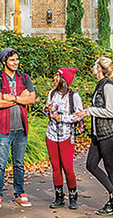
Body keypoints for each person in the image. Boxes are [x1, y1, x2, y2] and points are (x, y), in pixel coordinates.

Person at [73, 57, 113, 216]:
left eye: (95, 65)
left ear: (100, 69)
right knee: (91, 164)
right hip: (98, 133)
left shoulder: (108, 86)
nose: (93, 68)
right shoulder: (101, 85)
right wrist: (85, 113)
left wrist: (89, 111)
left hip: (108, 134)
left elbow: (111, 112)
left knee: (110, 167)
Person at [0, 48, 36, 208]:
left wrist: (13, 98)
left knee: (19, 164)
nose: (16, 62)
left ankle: (20, 193)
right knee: (1, 164)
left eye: (17, 59)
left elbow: (32, 99)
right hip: (3, 128)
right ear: (4, 62)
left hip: (21, 128)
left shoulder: (24, 77)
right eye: (12, 60)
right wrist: (21, 98)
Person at [43, 68, 82, 210]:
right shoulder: (52, 94)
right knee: (55, 167)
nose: (55, 77)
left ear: (64, 80)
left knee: (67, 167)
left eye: (58, 76)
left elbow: (79, 115)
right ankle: (58, 197)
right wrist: (46, 109)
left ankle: (73, 196)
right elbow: (47, 110)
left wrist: (63, 118)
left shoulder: (74, 97)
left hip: (66, 135)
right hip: (51, 134)